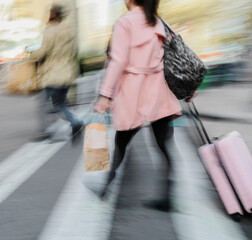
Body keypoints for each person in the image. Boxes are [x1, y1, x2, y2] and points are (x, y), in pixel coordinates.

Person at [94, 0, 195, 210]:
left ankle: (106, 185)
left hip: (133, 91)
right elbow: (177, 57)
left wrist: (105, 94)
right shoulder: (160, 23)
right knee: (165, 146)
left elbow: (118, 60)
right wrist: (188, 87)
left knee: (121, 143)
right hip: (159, 90)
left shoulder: (125, 23)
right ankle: (167, 196)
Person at [28, 5, 84, 141]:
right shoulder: (69, 33)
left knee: (47, 104)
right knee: (60, 103)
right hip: (67, 75)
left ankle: (57, 129)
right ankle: (72, 123)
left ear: (53, 14)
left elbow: (42, 52)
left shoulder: (50, 31)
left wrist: (30, 54)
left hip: (53, 76)